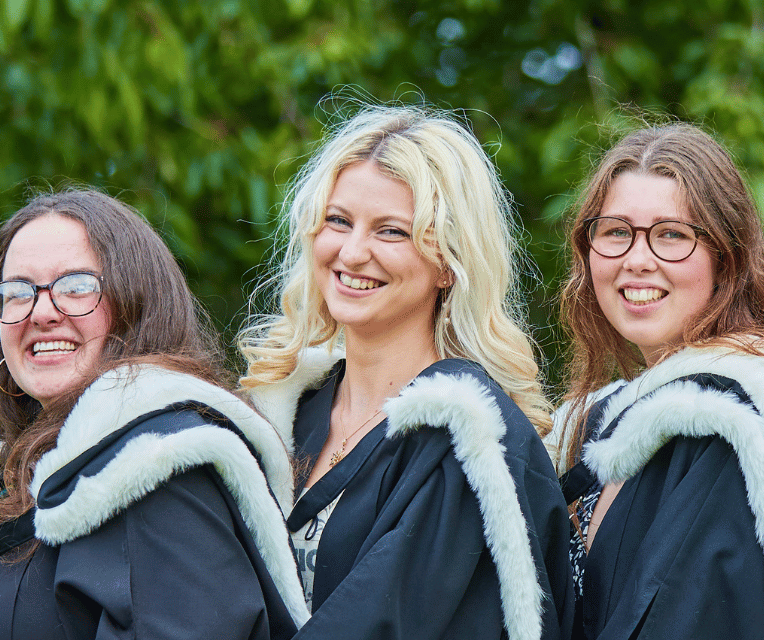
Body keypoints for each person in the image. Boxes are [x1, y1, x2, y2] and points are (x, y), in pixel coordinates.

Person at [0, 190, 304, 640]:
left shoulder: (164, 469)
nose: (42, 311)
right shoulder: (4, 476)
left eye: (76, 286)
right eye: (17, 292)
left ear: (137, 307)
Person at [238, 105, 570, 639]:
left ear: (447, 262)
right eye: (338, 221)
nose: (352, 252)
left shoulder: (466, 443)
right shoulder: (282, 415)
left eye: (391, 231)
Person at [549, 123, 764, 640]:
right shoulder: (604, 417)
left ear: (725, 261)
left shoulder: (727, 426)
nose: (638, 260)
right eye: (616, 231)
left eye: (672, 235)